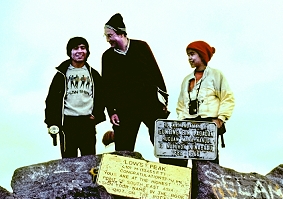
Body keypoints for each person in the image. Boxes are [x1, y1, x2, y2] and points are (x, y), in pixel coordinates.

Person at [101, 13, 169, 154]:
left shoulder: (141, 47)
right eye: (106, 36)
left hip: (149, 103)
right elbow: (107, 87)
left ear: (120, 33)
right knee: (123, 148)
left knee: (162, 142)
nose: (108, 39)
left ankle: (169, 172)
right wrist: (112, 111)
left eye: (109, 35)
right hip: (124, 109)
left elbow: (156, 73)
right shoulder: (107, 57)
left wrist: (163, 100)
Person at [175, 40, 235, 166]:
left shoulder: (216, 75)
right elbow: (181, 104)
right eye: (188, 55)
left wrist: (220, 119)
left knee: (207, 164)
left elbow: (227, 98)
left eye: (192, 54)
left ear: (201, 55)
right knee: (182, 159)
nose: (189, 58)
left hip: (208, 123)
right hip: (188, 123)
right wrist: (181, 122)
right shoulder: (187, 80)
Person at [45, 37, 106, 158]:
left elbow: (102, 96)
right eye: (75, 48)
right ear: (70, 52)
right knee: (68, 160)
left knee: (89, 160)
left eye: (83, 48)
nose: (79, 51)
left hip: (87, 121)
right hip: (67, 122)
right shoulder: (61, 74)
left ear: (87, 51)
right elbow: (51, 100)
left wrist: (97, 115)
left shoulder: (93, 74)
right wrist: (51, 123)